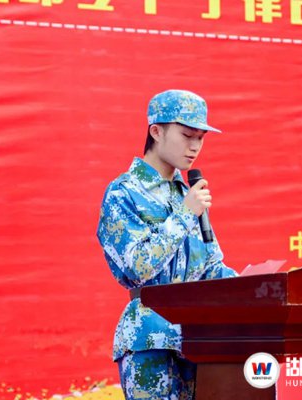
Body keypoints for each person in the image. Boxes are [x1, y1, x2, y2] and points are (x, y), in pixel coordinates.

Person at [97, 89, 237, 400]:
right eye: (187, 135)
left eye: (200, 138)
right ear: (156, 132)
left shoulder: (186, 194)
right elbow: (138, 267)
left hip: (198, 341)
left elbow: (211, 269)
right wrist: (186, 213)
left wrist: (261, 287)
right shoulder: (123, 193)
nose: (195, 146)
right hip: (150, 340)